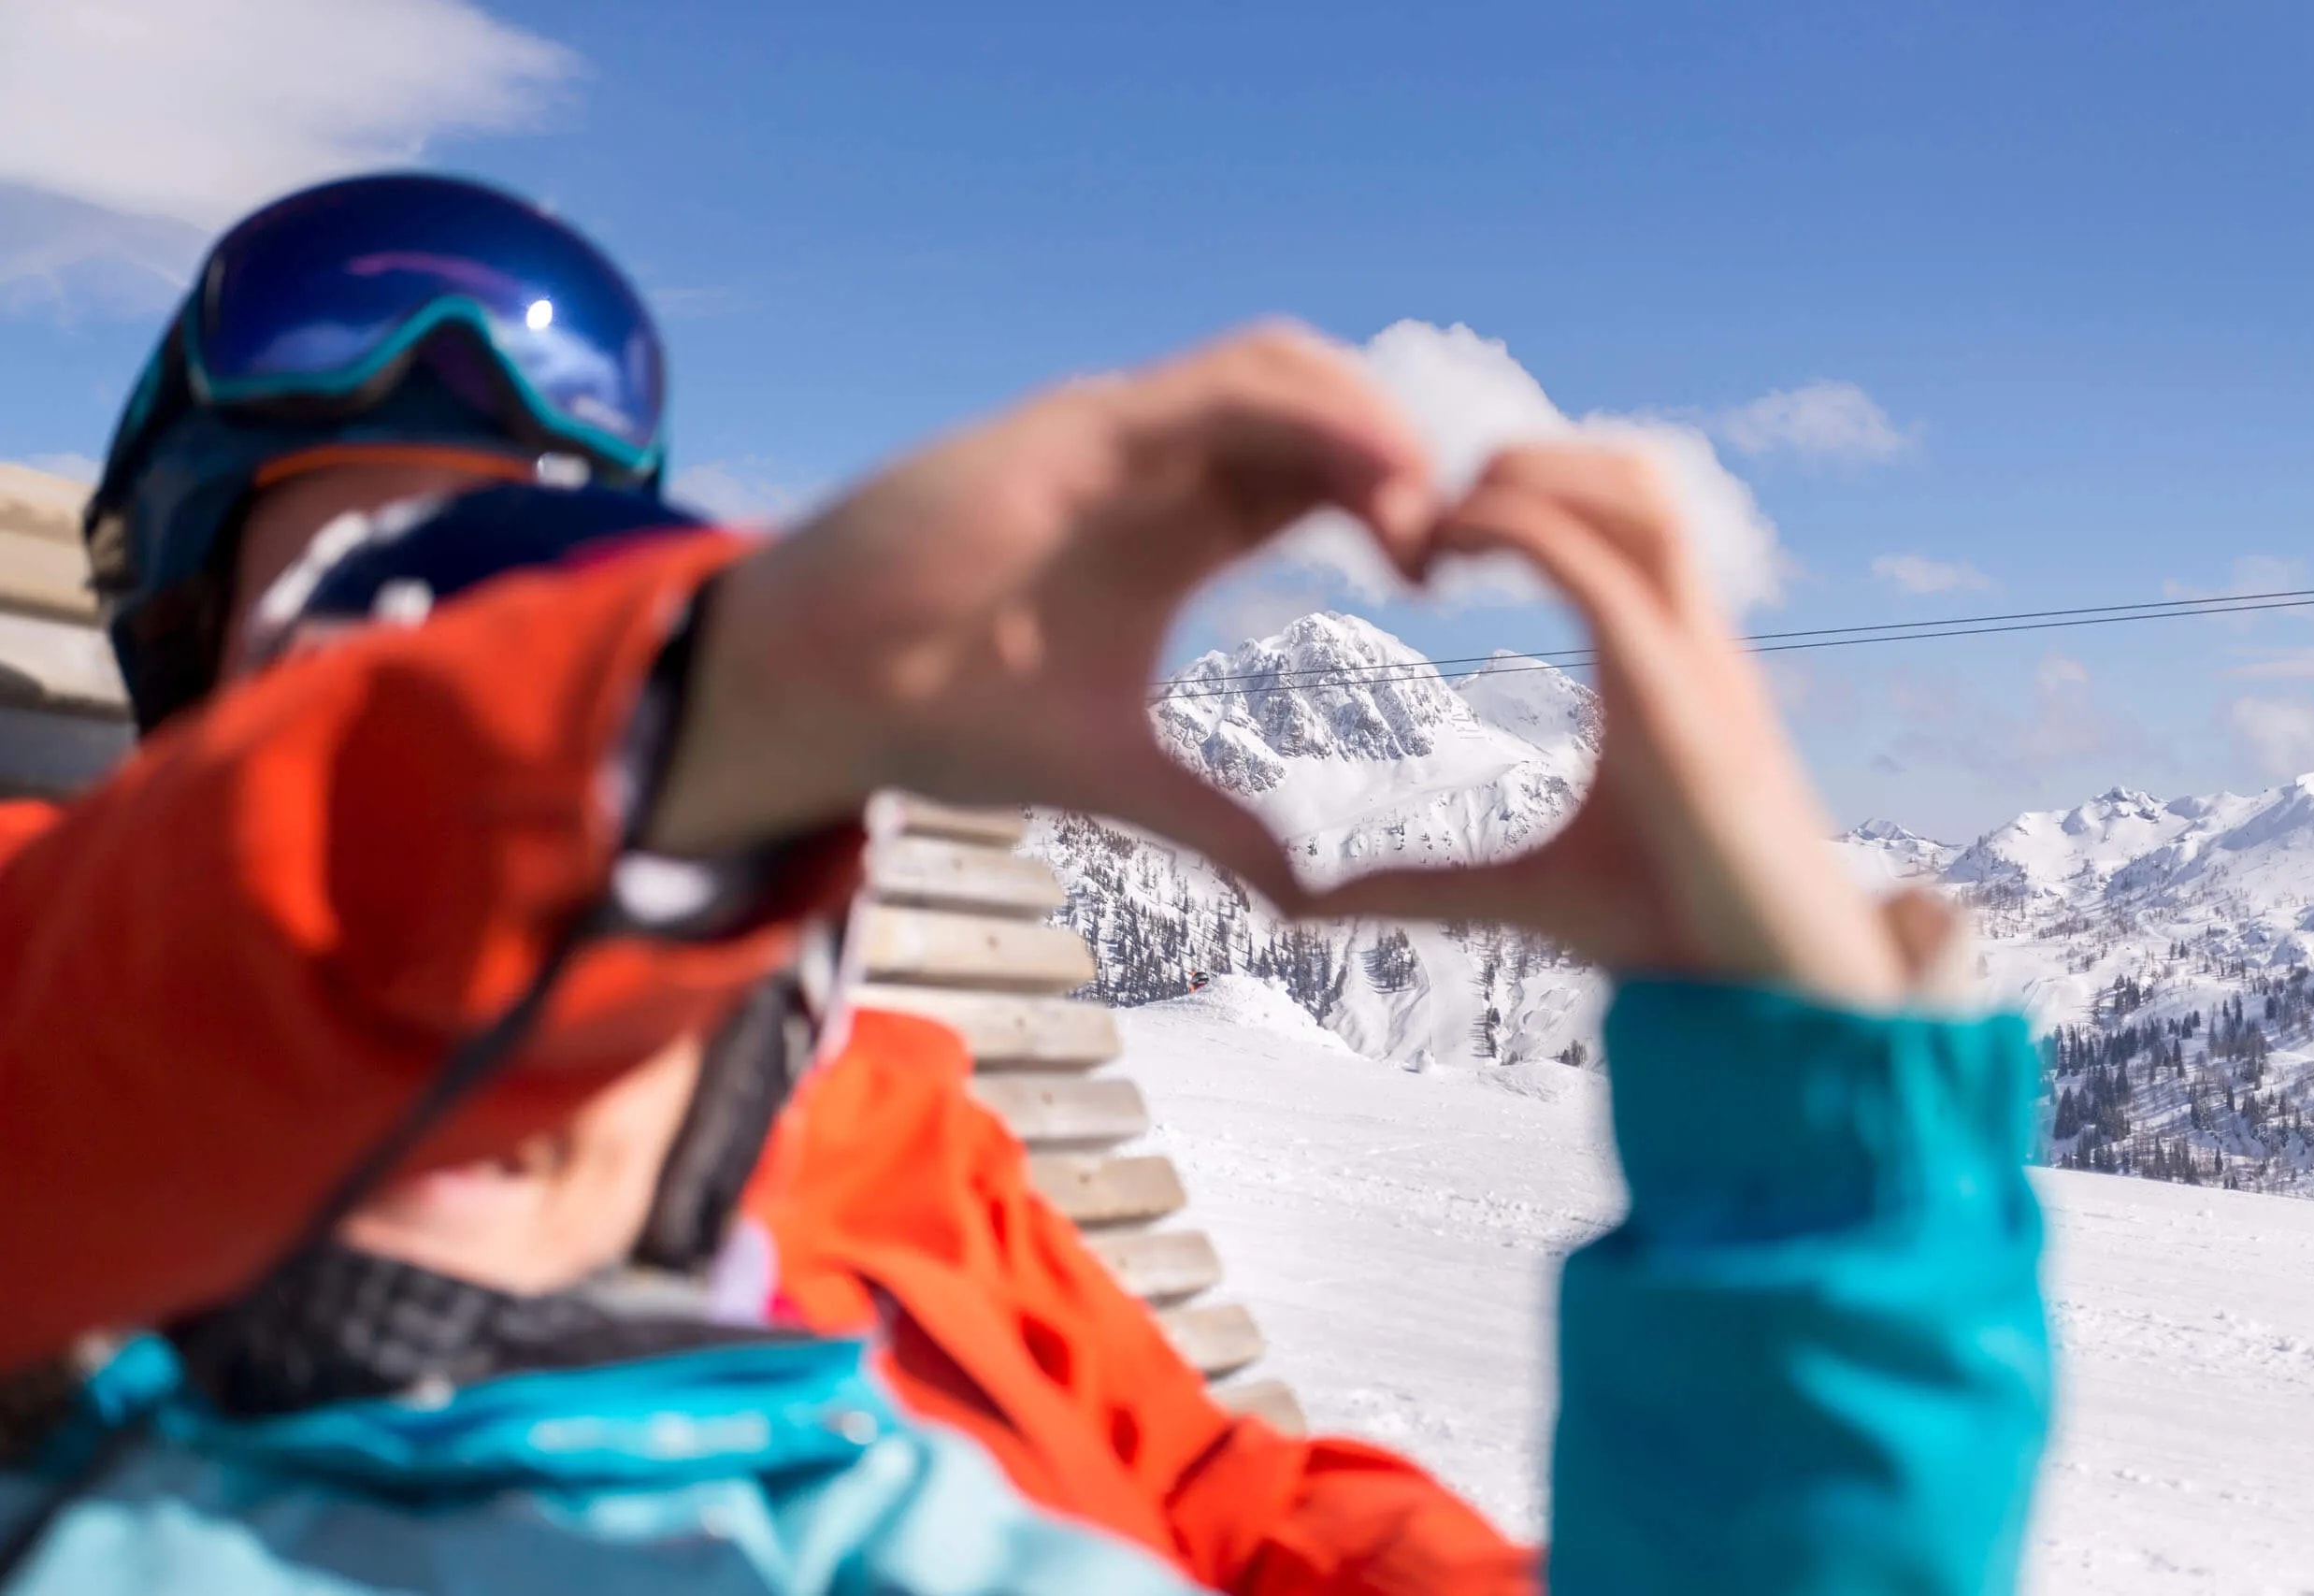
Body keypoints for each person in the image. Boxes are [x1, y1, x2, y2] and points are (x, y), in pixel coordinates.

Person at [0, 172, 2050, 1595]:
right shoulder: (53, 998)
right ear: (189, 654)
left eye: (541, 616)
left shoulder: (876, 1127)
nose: (485, 697)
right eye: (373, 638)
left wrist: (1810, 1213)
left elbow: (1225, 1502)